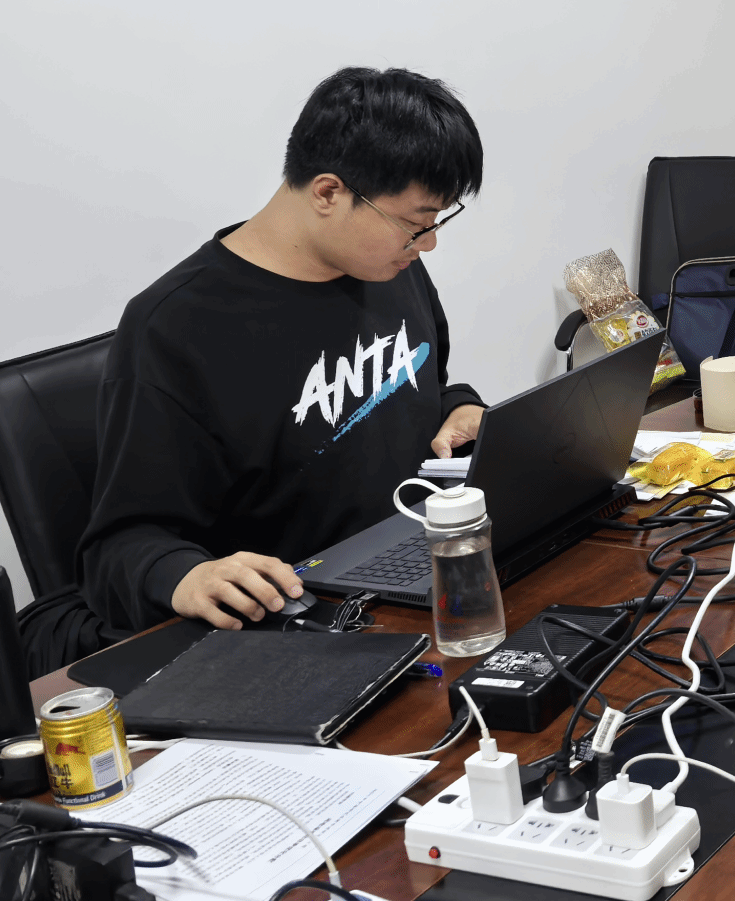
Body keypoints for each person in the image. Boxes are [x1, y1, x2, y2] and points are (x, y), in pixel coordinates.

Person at [78, 67, 486, 634]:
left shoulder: (386, 264)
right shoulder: (175, 328)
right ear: (328, 193)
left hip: (418, 575)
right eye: (416, 223)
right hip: (305, 622)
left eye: (438, 220)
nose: (429, 242)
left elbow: (411, 388)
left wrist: (457, 406)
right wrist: (187, 576)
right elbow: (119, 546)